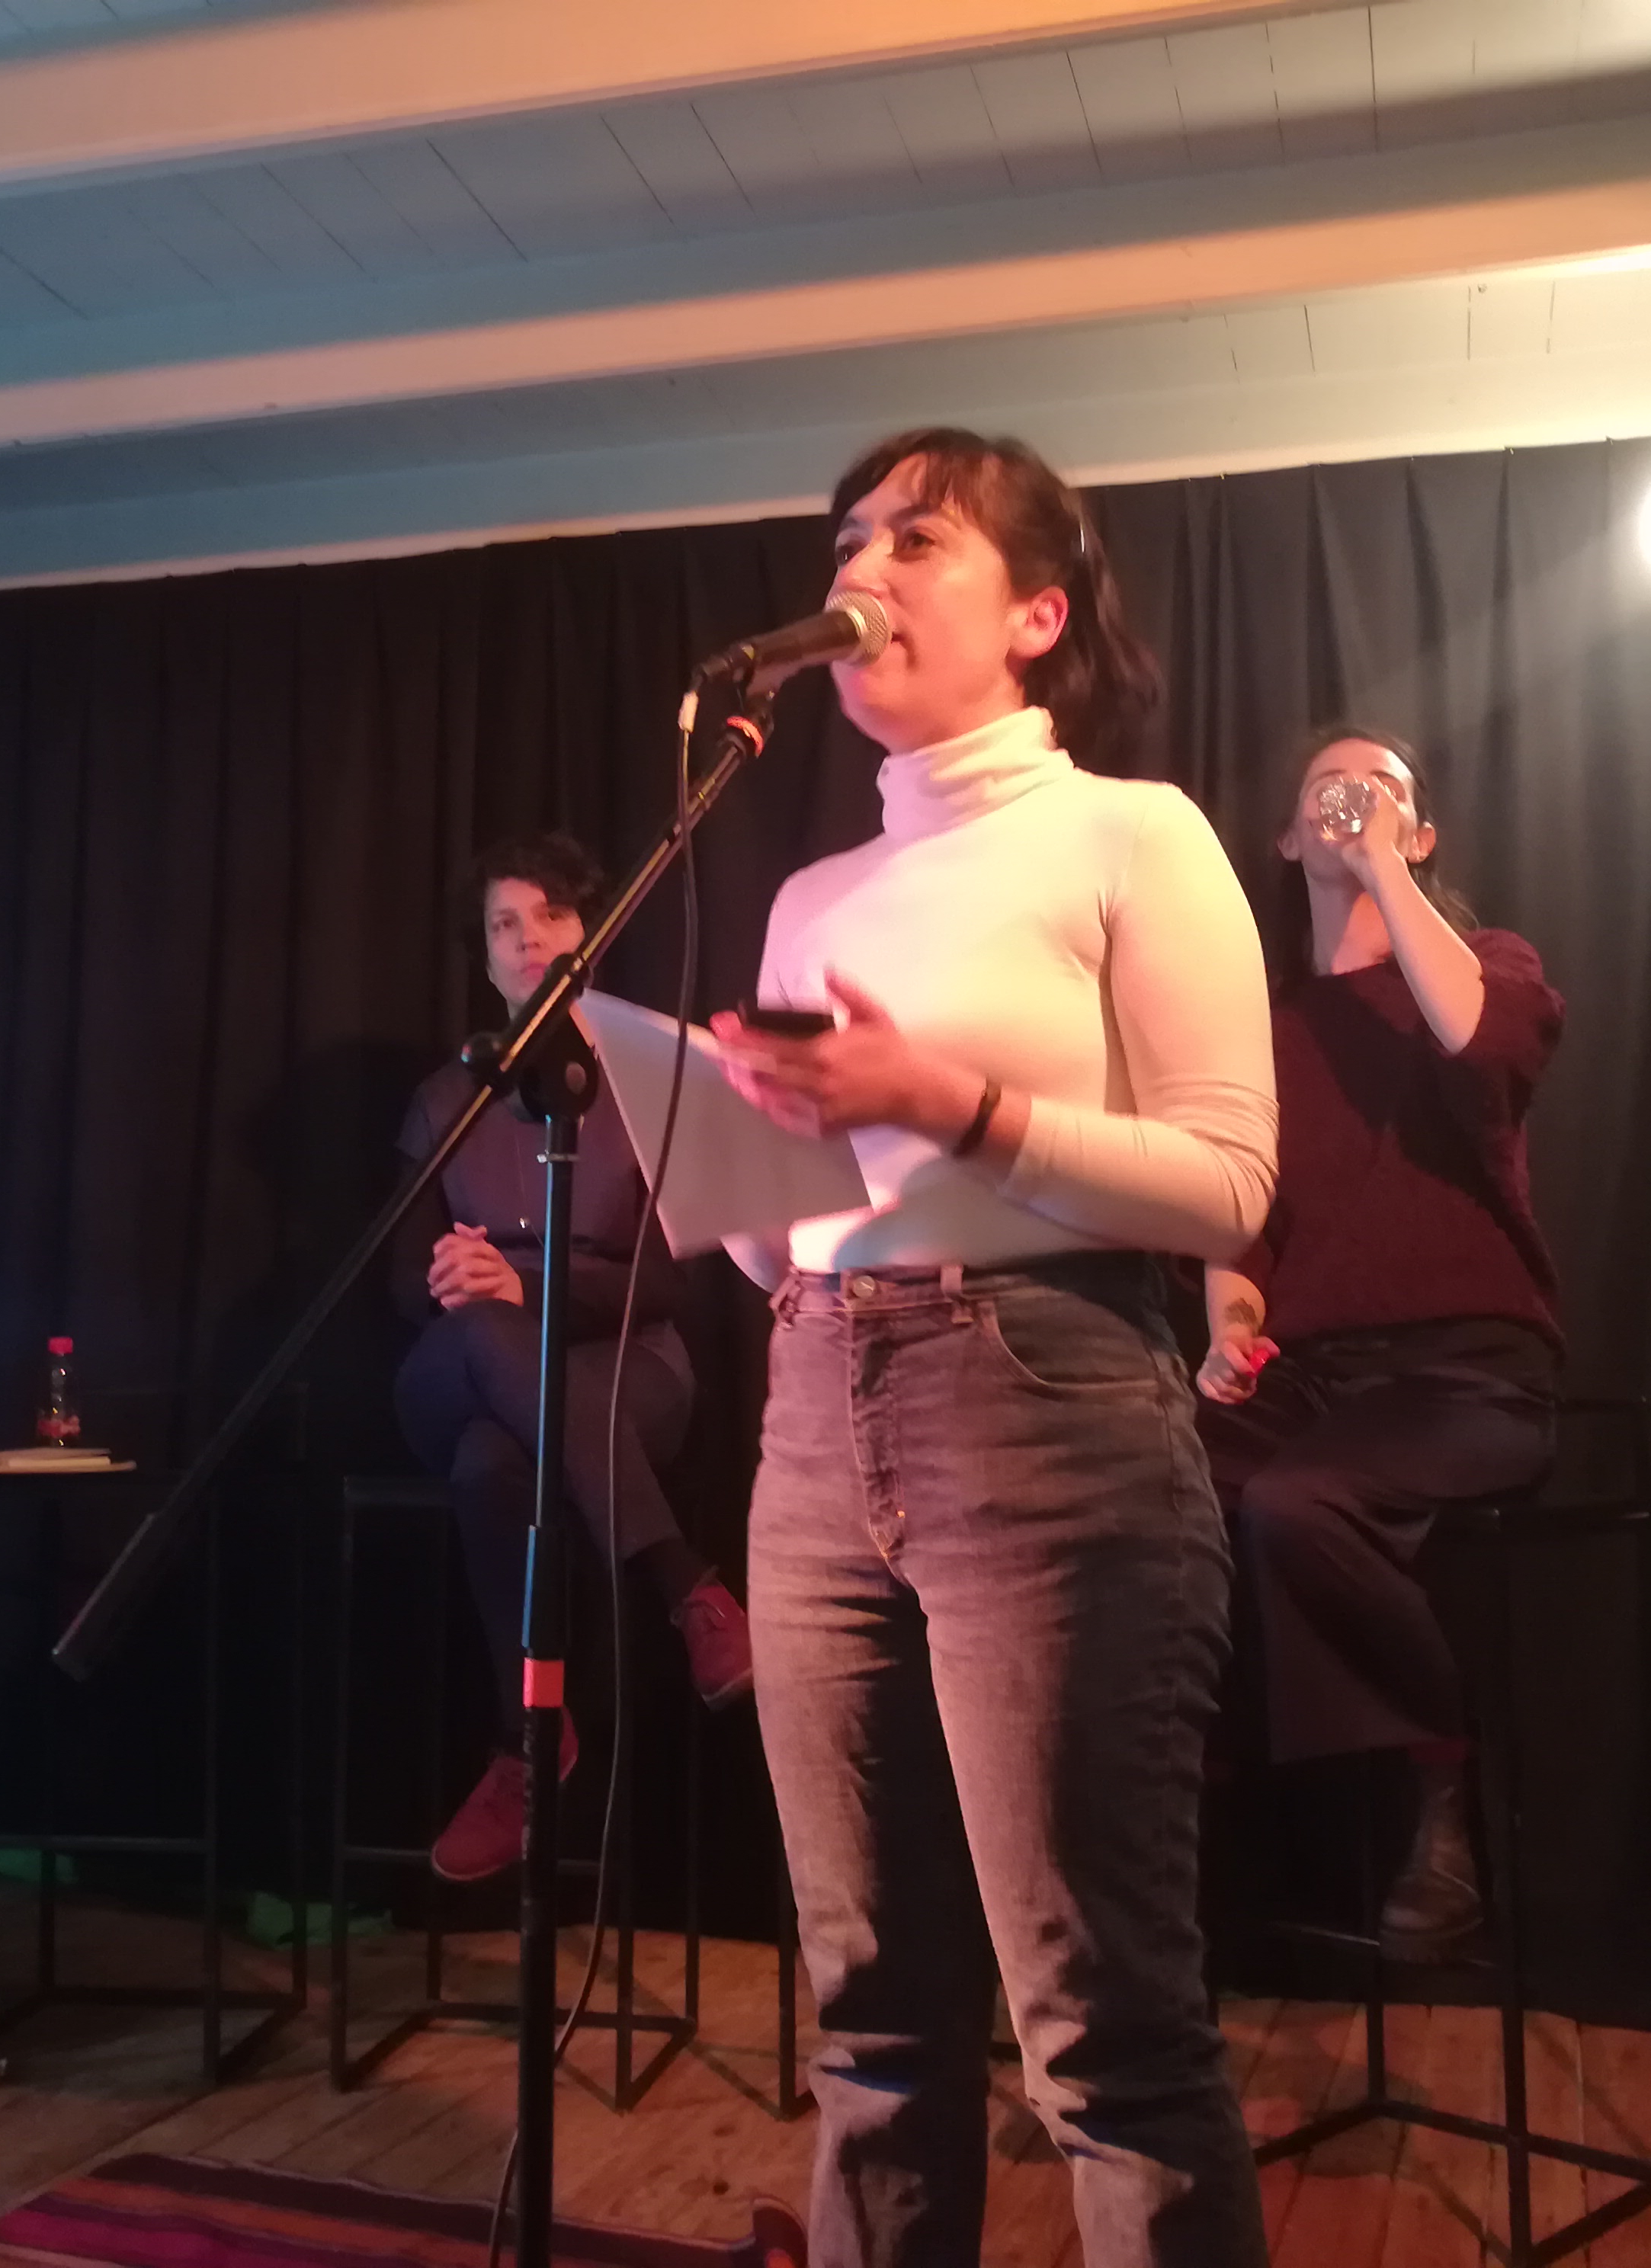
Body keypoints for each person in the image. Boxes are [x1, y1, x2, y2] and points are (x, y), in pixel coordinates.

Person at [712, 429, 1276, 2268]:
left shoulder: (1130, 833)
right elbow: (786, 1235)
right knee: (867, 2017)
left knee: (1100, 2028)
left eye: (915, 540)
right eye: (845, 542)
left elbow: (1227, 1184)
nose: (860, 572)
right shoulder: (810, 895)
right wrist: (727, 1158)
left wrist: (943, 1101)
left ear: (1035, 615)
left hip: (1044, 1409)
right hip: (814, 1407)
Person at [1195, 724, 1565, 1961]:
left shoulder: (1487, 965)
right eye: (1327, 790)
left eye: (1381, 791)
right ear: (1285, 838)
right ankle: (1179, 1813)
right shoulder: (1261, 1028)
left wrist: (1387, 872)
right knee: (1146, 1489)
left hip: (1465, 1374)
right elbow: (1244, 1225)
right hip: (1315, 1378)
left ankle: (1437, 1786)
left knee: (1299, 1504)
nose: (1350, 804)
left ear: (1422, 831)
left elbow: (1487, 1046)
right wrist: (1231, 1329)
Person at [390, 831, 755, 1885]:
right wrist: (455, 1278)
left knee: (490, 1468)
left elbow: (673, 1284)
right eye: (504, 924)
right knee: (479, 1337)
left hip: (626, 1364)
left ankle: (527, 1746)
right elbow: (398, 1282)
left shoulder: (649, 1082)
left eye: (549, 914)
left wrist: (532, 1291)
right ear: (485, 956)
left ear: (589, 931)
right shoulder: (444, 1098)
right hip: (463, 1359)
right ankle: (688, 1585)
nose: (527, 938)